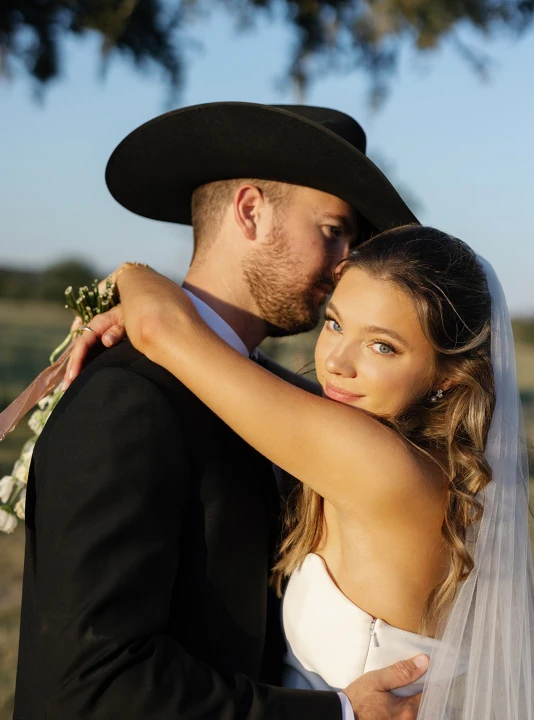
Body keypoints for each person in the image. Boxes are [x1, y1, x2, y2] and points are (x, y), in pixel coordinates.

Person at [14, 102, 428, 720]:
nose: (348, 262)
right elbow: (94, 684)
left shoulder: (271, 399)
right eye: (334, 229)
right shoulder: (130, 397)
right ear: (251, 210)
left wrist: (135, 282)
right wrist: (336, 715)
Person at [69, 223, 534, 719]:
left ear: (447, 374)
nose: (337, 362)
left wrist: (130, 274)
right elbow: (257, 373)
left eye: (382, 346)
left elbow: (161, 330)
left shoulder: (379, 465)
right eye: (335, 324)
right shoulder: (423, 460)